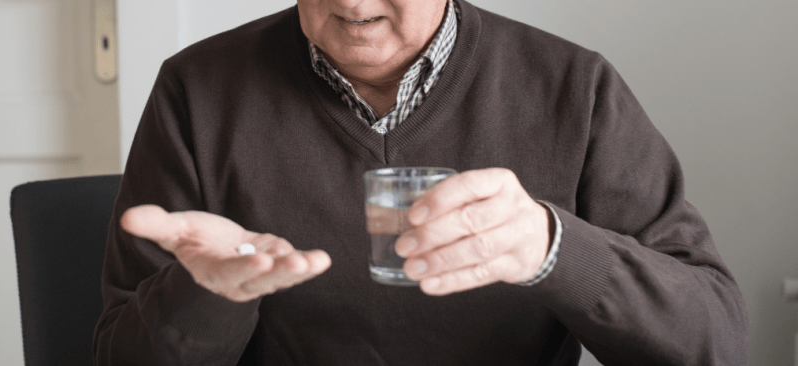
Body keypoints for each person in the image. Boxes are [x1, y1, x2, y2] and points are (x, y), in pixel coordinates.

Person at [93, 0, 748, 364]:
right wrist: (204, 296)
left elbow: (712, 340)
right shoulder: (195, 91)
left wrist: (554, 248)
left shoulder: (575, 89)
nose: (353, 4)